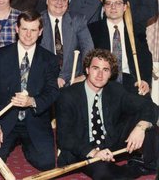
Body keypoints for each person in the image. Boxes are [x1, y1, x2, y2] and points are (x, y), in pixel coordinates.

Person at [56, 48, 158, 179]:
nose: (100, 75)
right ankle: (137, 168)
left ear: (110, 74)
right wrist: (93, 152)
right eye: (95, 68)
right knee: (103, 173)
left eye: (105, 70)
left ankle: (145, 164)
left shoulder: (115, 89)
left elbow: (150, 106)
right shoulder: (68, 95)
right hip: (83, 148)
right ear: (87, 70)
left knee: (149, 125)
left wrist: (141, 127)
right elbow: (64, 136)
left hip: (110, 142)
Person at [0, 10, 60, 171]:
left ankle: (26, 145)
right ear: (16, 29)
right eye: (24, 29)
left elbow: (53, 92)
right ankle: (12, 140)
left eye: (33, 30)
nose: (28, 34)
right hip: (5, 119)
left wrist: (32, 101)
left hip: (35, 120)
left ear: (40, 32)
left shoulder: (49, 59)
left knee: (46, 163)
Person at [88, 0, 152, 96]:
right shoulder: (93, 29)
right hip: (103, 81)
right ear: (104, 8)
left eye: (118, 3)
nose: (113, 7)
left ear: (125, 7)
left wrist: (145, 80)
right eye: (109, 4)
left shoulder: (136, 29)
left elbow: (145, 56)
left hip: (131, 80)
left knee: (150, 110)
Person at [40, 0, 94, 88]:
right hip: (45, 80)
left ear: (68, 2)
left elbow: (88, 49)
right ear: (47, 0)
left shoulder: (77, 20)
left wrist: (85, 75)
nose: (59, 2)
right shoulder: (37, 21)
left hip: (73, 80)